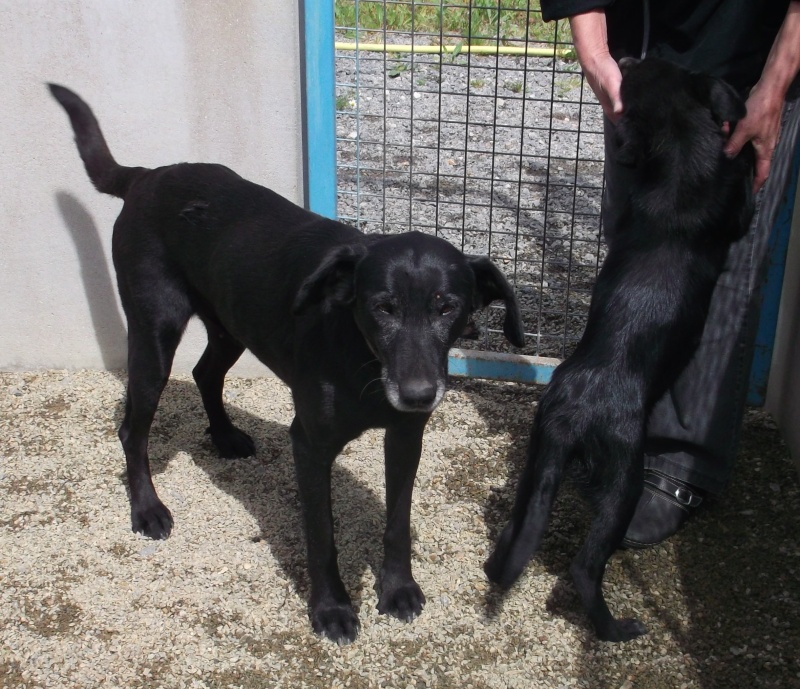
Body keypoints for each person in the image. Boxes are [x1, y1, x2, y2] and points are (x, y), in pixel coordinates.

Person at [539, 0, 800, 547]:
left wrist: (776, 84)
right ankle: (616, 435)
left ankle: (683, 463)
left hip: (753, 65)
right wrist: (595, 53)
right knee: (634, 250)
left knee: (719, 265)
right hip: (644, 61)